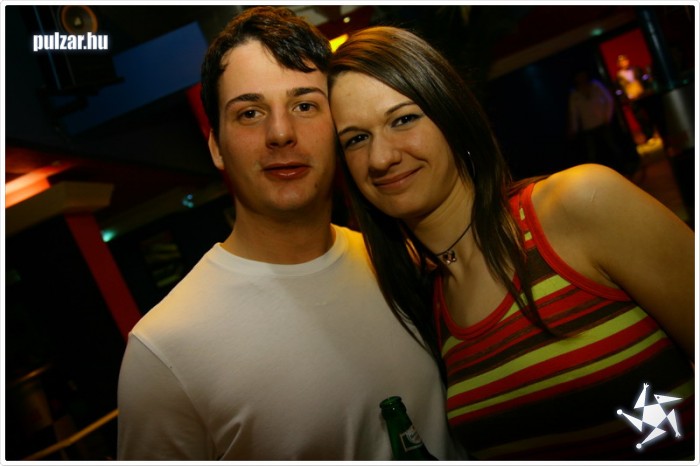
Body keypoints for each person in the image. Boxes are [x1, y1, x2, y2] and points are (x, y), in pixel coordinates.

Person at [328, 26, 695, 461]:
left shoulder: (579, 205)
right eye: (356, 139)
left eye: (403, 119)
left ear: (451, 115)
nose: (381, 157)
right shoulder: (425, 301)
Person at [117, 9, 464, 461]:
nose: (280, 133)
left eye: (304, 105)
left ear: (336, 127)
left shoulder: (401, 263)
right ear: (216, 146)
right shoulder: (166, 349)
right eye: (250, 113)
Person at [567, 68, 620, 167]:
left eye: (582, 75)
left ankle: (622, 166)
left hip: (602, 123)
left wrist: (607, 117)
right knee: (592, 154)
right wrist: (574, 128)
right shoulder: (575, 94)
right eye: (578, 76)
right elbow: (574, 113)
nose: (581, 78)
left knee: (612, 147)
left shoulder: (596, 86)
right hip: (588, 127)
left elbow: (609, 100)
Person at [615, 53, 657, 142]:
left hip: (643, 95)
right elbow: (619, 90)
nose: (624, 63)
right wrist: (624, 99)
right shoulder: (619, 76)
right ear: (618, 64)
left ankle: (654, 132)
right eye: (621, 62)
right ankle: (648, 135)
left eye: (625, 60)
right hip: (632, 99)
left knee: (649, 114)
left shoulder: (636, 70)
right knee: (640, 117)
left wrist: (647, 90)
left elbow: (645, 80)